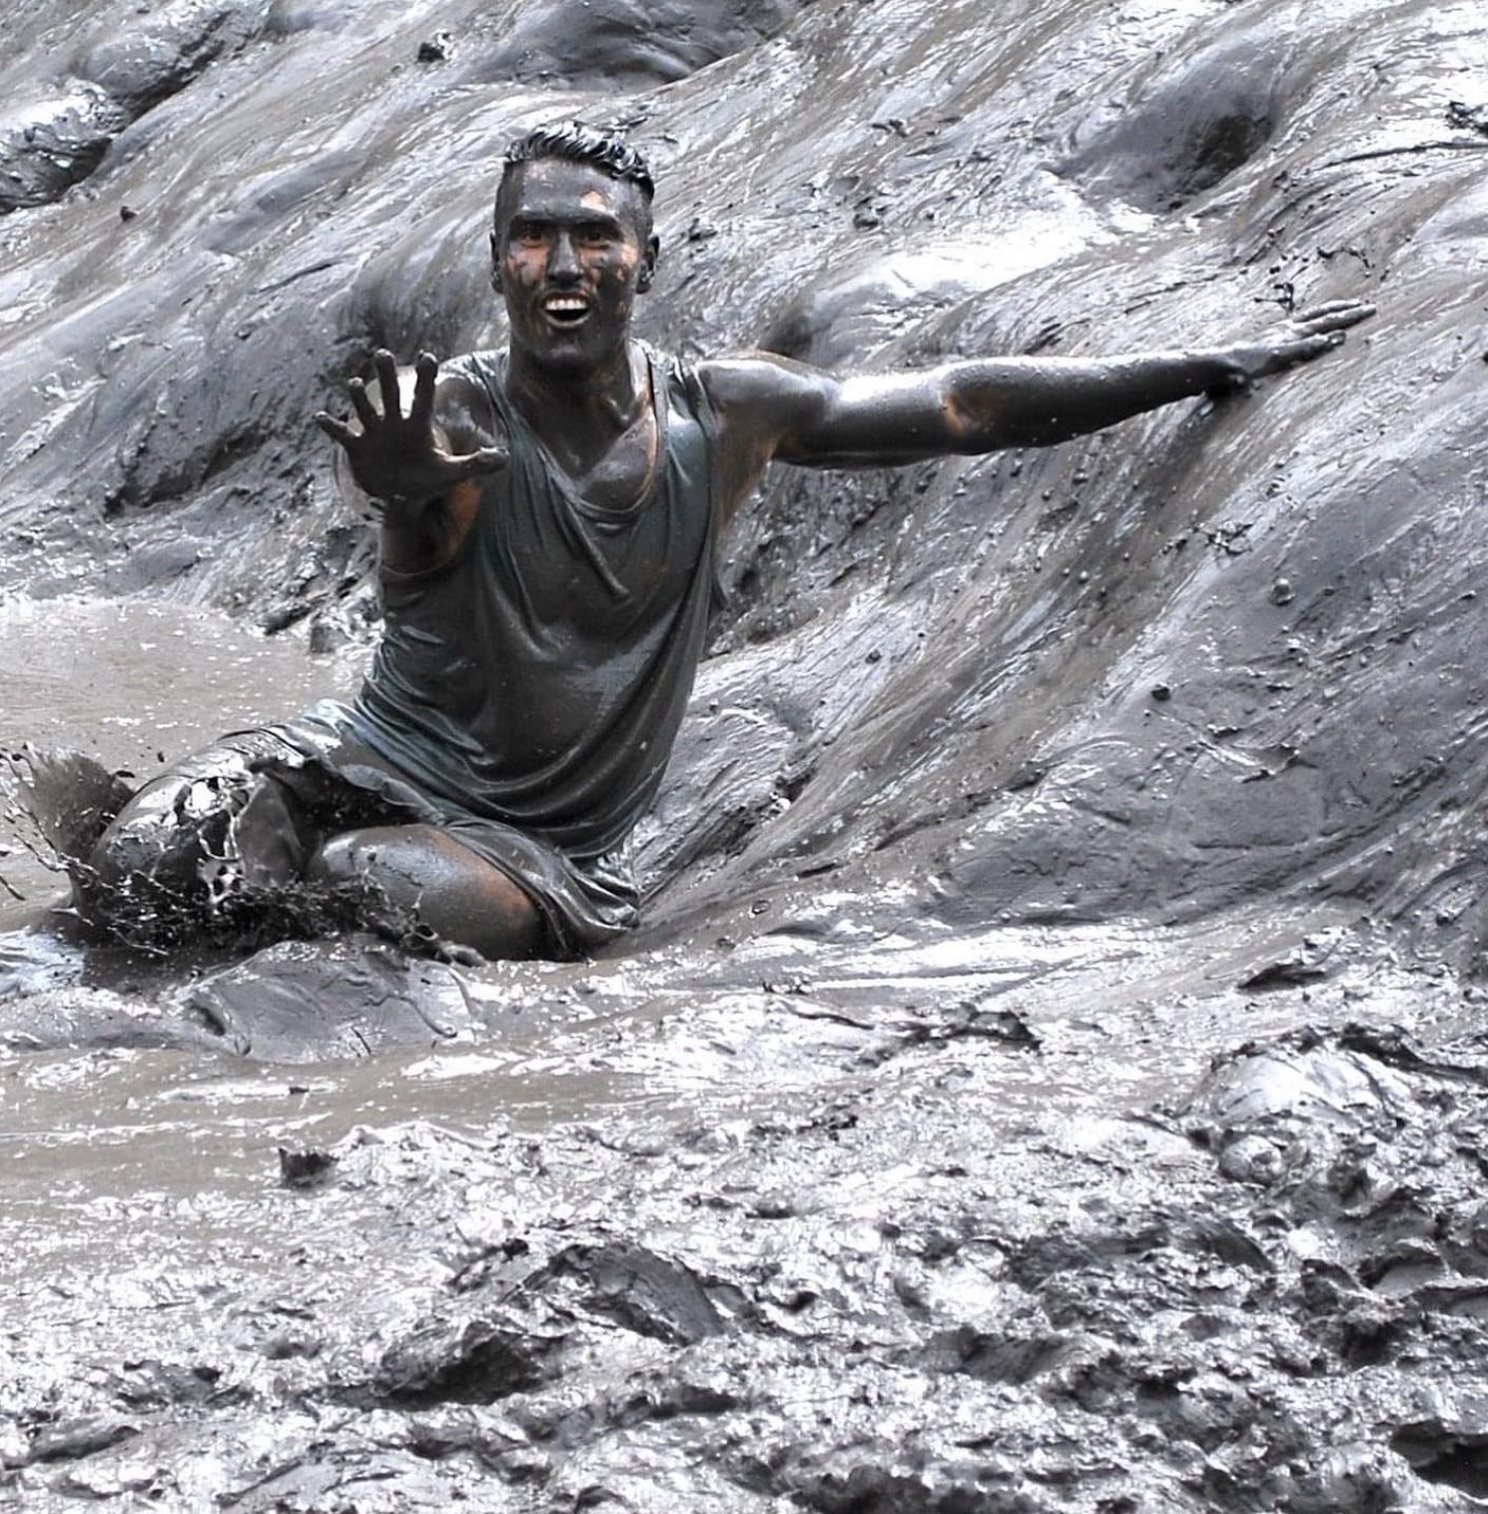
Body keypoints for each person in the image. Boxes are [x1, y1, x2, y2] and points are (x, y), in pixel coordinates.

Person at [80, 123, 1371, 962]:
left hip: (536, 848)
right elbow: (425, 544)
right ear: (498, 262)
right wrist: (405, 497)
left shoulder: (726, 412)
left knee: (371, 888)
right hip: (359, 758)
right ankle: (219, 861)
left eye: (596, 233)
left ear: (646, 255)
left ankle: (267, 892)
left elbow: (959, 404)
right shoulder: (463, 409)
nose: (565, 260)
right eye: (536, 235)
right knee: (148, 858)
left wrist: (1200, 362)